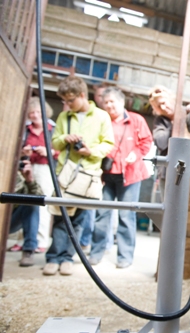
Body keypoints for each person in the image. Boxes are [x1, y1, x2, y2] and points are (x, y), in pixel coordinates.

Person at [43, 75, 114, 276]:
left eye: (70, 100)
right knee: (59, 216)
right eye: (64, 101)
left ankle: (67, 258)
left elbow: (108, 144)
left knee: (78, 220)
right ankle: (53, 257)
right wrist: (65, 138)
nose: (67, 104)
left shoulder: (101, 116)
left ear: (82, 95)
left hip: (87, 175)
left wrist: (91, 151)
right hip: (65, 174)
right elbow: (55, 142)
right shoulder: (64, 117)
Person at [89, 87, 153, 268]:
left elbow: (147, 141)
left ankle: (125, 257)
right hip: (107, 175)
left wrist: (136, 153)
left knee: (126, 216)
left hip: (130, 175)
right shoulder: (102, 120)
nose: (109, 105)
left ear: (122, 102)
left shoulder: (136, 120)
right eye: (106, 102)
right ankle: (96, 252)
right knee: (102, 215)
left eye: (113, 102)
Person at [9, 97, 58, 253]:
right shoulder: (25, 129)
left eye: (38, 112)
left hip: (45, 168)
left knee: (41, 203)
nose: (35, 115)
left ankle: (41, 240)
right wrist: (24, 151)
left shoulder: (53, 129)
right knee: (23, 200)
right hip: (28, 165)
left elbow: (61, 151)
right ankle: (22, 240)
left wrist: (49, 152)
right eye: (32, 113)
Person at [9, 159, 43, 267]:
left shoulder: (18, 176)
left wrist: (29, 180)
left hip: (9, 220)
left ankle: (28, 250)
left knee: (32, 202)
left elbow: (39, 197)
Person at [148, 85, 175, 200]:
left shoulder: (188, 116)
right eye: (159, 106)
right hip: (167, 173)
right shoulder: (160, 122)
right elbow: (161, 143)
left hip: (188, 172)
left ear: (171, 99)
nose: (163, 107)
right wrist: (175, 126)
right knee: (169, 209)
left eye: (164, 102)